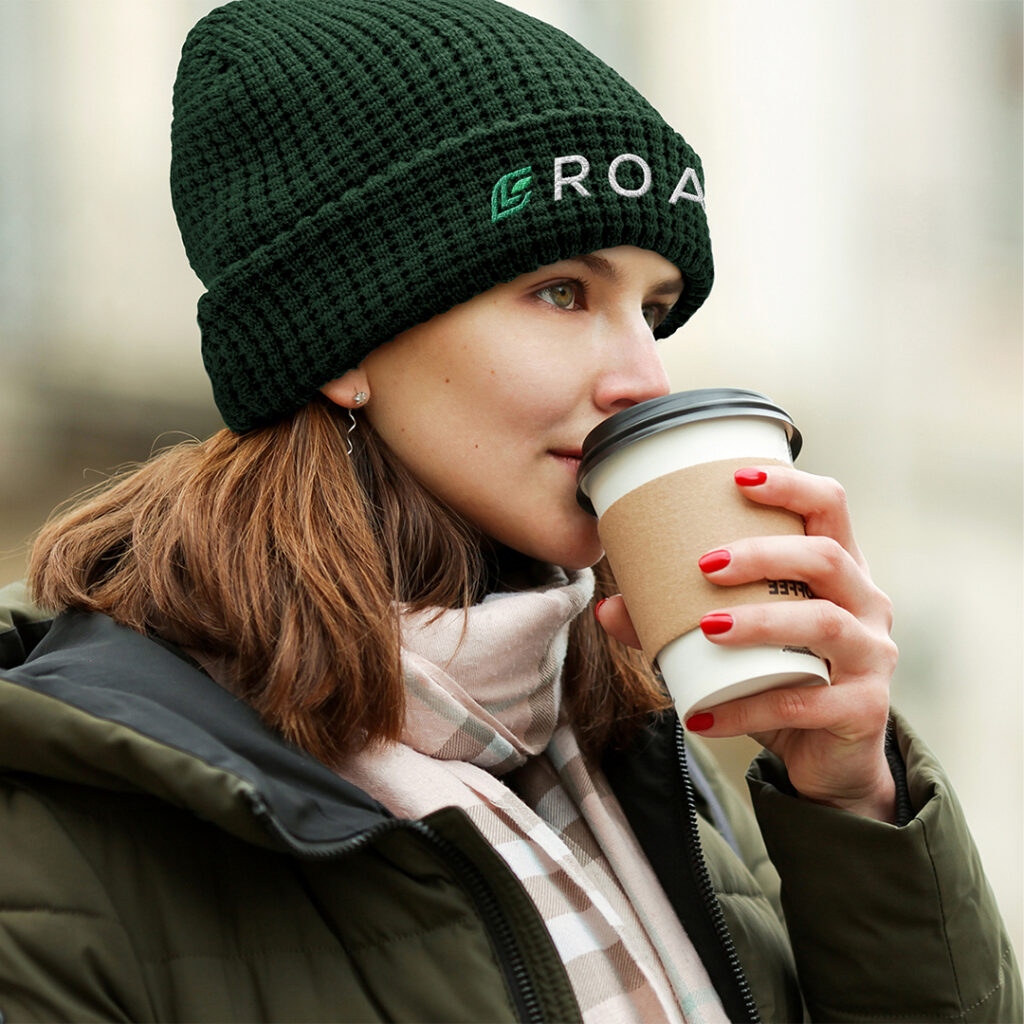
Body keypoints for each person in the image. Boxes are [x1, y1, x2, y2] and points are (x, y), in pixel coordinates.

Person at [0, 0, 1018, 1020]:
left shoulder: (645, 754)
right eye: (563, 291)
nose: (642, 376)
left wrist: (851, 800)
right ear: (346, 343)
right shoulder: (62, 831)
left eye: (652, 309)